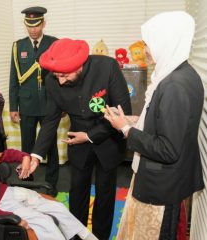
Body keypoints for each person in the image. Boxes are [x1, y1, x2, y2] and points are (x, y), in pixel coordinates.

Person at [104, 11, 204, 239]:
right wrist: (134, 121)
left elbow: (167, 149)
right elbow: (165, 121)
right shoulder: (181, 73)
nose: (145, 50)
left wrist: (126, 130)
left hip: (162, 187)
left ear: (166, 41)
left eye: (148, 44)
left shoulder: (174, 86)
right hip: (169, 181)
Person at [30, 38, 132, 239]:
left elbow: (123, 113)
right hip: (78, 143)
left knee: (104, 195)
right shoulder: (52, 80)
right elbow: (50, 120)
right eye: (57, 75)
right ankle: (76, 235)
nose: (60, 80)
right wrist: (35, 155)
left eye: (64, 75)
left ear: (80, 66)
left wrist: (90, 136)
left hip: (108, 139)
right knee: (77, 194)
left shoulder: (107, 68)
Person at [0, 128, 97, 240]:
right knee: (44, 221)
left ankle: (85, 235)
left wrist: (25, 158)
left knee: (57, 207)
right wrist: (14, 218)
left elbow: (9, 154)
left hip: (8, 192)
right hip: (0, 205)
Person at [9, 6, 59, 196]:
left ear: (43, 23)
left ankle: (52, 184)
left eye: (36, 25)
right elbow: (14, 78)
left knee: (51, 147)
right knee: (27, 147)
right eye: (29, 26)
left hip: (49, 104)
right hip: (27, 104)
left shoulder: (54, 44)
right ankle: (27, 182)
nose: (33, 30)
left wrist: (61, 104)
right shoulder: (18, 46)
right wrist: (14, 106)